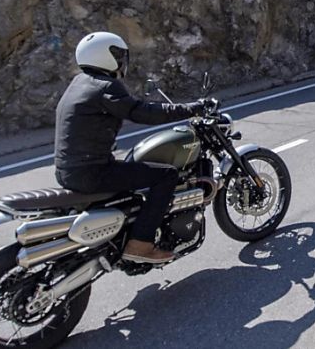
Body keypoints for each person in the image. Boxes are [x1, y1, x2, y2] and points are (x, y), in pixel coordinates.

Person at [54, 32, 204, 264]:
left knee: (134, 172)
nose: (123, 61)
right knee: (166, 175)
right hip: (92, 172)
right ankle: (140, 244)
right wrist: (191, 108)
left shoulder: (79, 82)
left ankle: (126, 232)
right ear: (106, 56)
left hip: (69, 170)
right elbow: (142, 112)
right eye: (119, 55)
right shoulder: (106, 86)